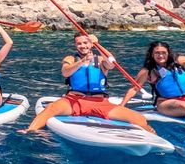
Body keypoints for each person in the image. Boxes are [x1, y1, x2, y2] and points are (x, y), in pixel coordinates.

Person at [22, 33, 156, 134]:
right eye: (79, 43)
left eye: (86, 43)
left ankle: (152, 135)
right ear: (76, 45)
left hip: (99, 102)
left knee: (138, 118)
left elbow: (112, 62)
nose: (83, 46)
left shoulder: (100, 59)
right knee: (51, 109)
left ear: (91, 44)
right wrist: (82, 61)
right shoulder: (71, 59)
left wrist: (99, 44)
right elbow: (65, 72)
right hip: (74, 101)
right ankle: (30, 130)